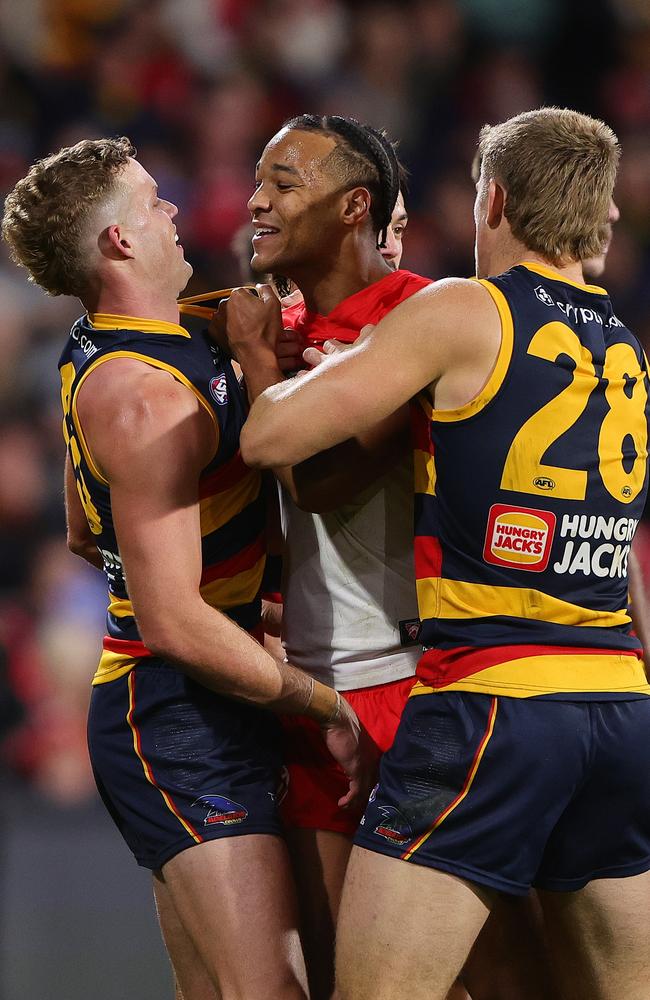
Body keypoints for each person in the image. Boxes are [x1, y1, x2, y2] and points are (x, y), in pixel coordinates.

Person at [235, 107, 650, 1000]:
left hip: (492, 703)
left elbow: (272, 442)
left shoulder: (461, 308)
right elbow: (624, 559)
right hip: (618, 703)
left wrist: (262, 364)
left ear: (492, 198)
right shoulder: (624, 345)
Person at [1, 136, 375, 1000]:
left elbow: (83, 533)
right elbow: (169, 618)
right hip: (174, 716)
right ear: (120, 243)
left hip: (205, 685)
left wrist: (245, 603)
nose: (174, 212)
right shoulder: (141, 396)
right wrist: (324, 701)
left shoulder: (121, 341)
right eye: (153, 201)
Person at [218, 113, 439, 1000]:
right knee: (339, 972)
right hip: (315, 684)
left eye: (283, 181)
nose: (255, 200)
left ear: (356, 207)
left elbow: (322, 484)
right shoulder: (284, 321)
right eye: (257, 178)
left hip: (413, 684)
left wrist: (258, 371)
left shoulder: (421, 316)